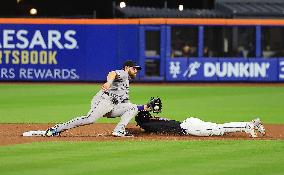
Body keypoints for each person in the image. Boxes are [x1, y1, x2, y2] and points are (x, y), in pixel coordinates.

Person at [45, 60, 159, 137]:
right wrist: (109, 82)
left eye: (137, 70)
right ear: (127, 68)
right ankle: (57, 129)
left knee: (132, 107)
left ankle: (119, 130)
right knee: (90, 119)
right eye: (134, 69)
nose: (136, 71)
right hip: (104, 100)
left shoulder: (126, 84)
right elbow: (112, 73)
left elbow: (127, 105)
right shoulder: (124, 74)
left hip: (112, 106)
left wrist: (146, 107)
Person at [135, 111, 266, 138]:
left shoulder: (149, 125)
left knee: (219, 129)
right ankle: (251, 124)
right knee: (218, 127)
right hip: (189, 123)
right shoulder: (154, 120)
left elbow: (145, 128)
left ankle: (247, 126)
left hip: (190, 128)